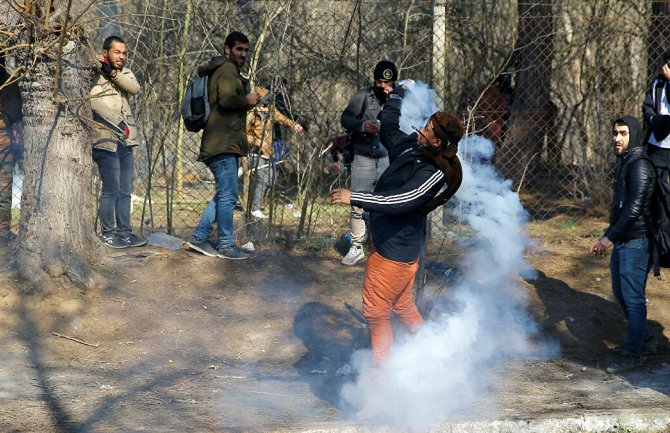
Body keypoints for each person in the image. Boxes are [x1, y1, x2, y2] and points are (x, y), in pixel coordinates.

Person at [330, 85, 464, 365]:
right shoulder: (414, 147)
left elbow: (401, 200)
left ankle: (382, 382)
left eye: (427, 128)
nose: (421, 129)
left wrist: (354, 197)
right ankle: (432, 358)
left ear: (438, 142)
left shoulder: (433, 171)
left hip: (395, 253)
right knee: (403, 305)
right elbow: (389, 129)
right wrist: (394, 98)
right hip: (390, 243)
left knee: (375, 313)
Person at [589, 115, 656, 374]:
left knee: (633, 298)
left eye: (623, 133)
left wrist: (608, 238)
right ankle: (644, 341)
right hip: (623, 240)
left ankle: (633, 352)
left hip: (636, 242)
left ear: (634, 136)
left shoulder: (639, 164)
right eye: (615, 133)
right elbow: (620, 209)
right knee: (621, 294)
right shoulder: (625, 161)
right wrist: (608, 235)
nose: (617, 138)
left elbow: (634, 208)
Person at [187, 31, 259, 260]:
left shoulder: (229, 70)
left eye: (246, 50)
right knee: (229, 195)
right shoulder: (227, 69)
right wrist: (247, 101)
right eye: (239, 49)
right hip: (221, 143)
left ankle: (199, 238)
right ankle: (226, 245)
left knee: (226, 193)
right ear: (227, 49)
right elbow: (227, 100)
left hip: (224, 143)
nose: (243, 54)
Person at [89, 35, 146, 248]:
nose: (121, 56)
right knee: (111, 189)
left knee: (125, 190)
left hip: (126, 140)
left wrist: (112, 73)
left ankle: (124, 232)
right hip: (106, 139)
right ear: (106, 53)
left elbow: (134, 88)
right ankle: (108, 232)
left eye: (124, 53)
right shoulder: (94, 74)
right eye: (117, 52)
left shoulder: (124, 73)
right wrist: (118, 122)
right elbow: (94, 102)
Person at [339, 60, 397, 266]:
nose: (383, 87)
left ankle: (384, 248)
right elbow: (345, 119)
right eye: (380, 82)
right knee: (358, 203)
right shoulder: (363, 95)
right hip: (363, 156)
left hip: (388, 159)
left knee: (386, 203)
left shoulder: (400, 99)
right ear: (374, 80)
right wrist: (362, 125)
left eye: (388, 83)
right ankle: (356, 247)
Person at [246, 86, 303, 219]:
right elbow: (242, 134)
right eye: (264, 103)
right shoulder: (251, 113)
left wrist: (293, 124)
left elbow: (282, 118)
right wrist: (255, 141)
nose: (266, 106)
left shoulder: (271, 110)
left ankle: (256, 204)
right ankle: (255, 209)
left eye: (268, 103)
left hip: (268, 152)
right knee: (263, 178)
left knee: (271, 178)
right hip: (254, 152)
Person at [0, 59, 22, 245]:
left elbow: (15, 112)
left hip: (3, 143)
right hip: (3, 142)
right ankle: (2, 235)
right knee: (3, 191)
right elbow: (15, 113)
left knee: (4, 190)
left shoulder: (9, 81)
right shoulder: (9, 81)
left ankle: (2, 235)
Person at [643, 48, 670, 171]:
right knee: (656, 182)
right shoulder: (658, 82)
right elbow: (647, 106)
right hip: (658, 144)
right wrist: (654, 119)